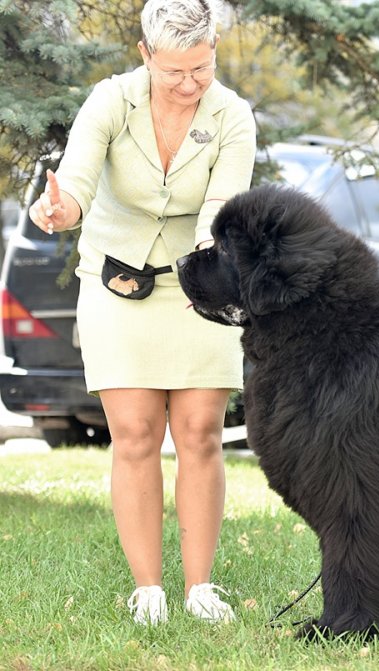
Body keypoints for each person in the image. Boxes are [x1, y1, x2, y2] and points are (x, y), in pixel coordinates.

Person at [28, 0, 256, 626]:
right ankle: (149, 591)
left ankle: (200, 588)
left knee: (201, 434)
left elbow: (222, 205)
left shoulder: (232, 115)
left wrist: (208, 269)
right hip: (116, 284)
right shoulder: (110, 101)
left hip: (197, 287)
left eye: (202, 68)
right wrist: (59, 210)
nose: (189, 83)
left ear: (214, 52)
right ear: (145, 55)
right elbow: (76, 182)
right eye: (174, 71)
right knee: (133, 436)